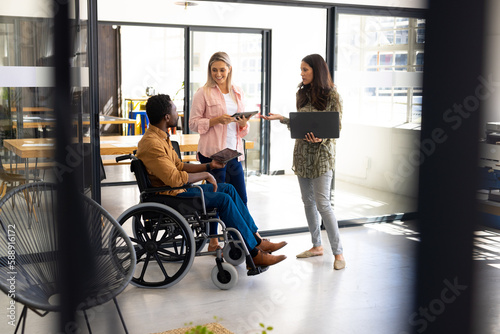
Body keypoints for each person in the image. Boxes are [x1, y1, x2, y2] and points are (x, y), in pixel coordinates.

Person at [136, 94, 287, 268]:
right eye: (175, 110)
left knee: (228, 189)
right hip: (172, 196)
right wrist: (206, 176)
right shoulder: (152, 144)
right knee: (223, 200)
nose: (178, 113)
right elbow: (176, 179)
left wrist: (209, 167)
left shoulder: (161, 137)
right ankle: (254, 255)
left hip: (178, 191)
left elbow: (179, 165)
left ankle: (256, 239)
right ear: (167, 117)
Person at [263, 54, 346, 270]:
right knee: (307, 202)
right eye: (301, 69)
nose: (301, 73)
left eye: (305, 69)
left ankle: (338, 253)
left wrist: (322, 137)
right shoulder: (301, 93)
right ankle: (316, 245)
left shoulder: (332, 95)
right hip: (302, 154)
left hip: (322, 156)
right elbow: (301, 123)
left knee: (323, 204)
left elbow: (336, 126)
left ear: (316, 71)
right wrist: (282, 118)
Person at [190, 51, 253, 252]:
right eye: (214, 70)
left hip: (233, 152)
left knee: (241, 198)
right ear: (210, 70)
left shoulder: (238, 91)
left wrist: (244, 124)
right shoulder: (203, 92)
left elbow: (242, 130)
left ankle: (239, 238)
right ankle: (213, 240)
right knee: (217, 198)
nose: (218, 74)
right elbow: (192, 123)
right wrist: (216, 120)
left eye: (222, 70)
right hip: (213, 154)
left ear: (229, 69)